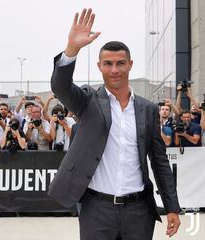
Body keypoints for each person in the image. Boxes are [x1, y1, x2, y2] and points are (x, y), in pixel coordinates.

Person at [48, 8, 180, 240]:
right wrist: (72, 49)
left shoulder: (148, 109)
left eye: (120, 63)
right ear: (99, 66)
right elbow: (60, 87)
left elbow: (159, 162)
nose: (114, 70)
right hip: (96, 210)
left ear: (130, 64)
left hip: (139, 211)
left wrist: (171, 206)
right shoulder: (88, 102)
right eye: (107, 63)